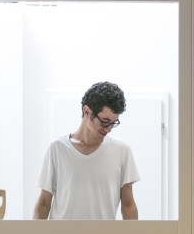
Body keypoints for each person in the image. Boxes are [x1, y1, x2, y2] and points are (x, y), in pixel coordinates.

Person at [33, 81, 139, 220]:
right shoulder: (57, 149)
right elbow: (44, 203)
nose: (108, 129)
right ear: (87, 111)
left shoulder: (122, 151)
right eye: (104, 122)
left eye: (113, 123)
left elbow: (128, 204)